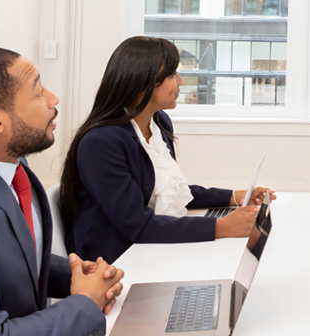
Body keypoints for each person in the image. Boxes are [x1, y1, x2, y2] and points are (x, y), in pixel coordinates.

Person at [0, 46, 125, 336]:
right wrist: (85, 305)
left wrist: (81, 277)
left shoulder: (11, 163)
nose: (54, 98)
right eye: (37, 92)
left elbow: (7, 256)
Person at [60, 36, 274, 263]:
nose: (180, 81)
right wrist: (222, 226)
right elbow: (137, 224)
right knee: (243, 242)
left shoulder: (158, 122)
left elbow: (169, 191)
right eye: (172, 75)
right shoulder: (100, 143)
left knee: (248, 240)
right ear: (143, 82)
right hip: (119, 259)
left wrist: (233, 197)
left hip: (150, 242)